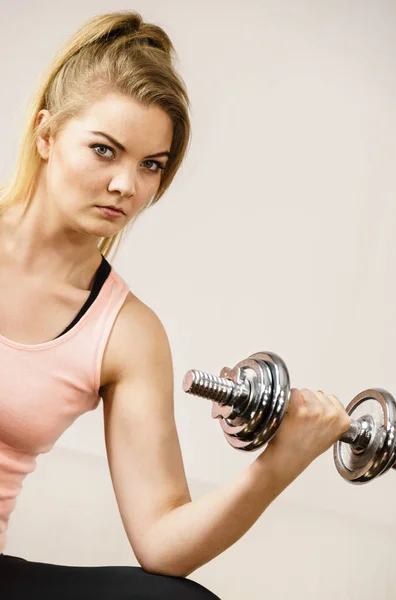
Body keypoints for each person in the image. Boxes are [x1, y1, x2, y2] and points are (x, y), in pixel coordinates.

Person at [0, 10, 351, 599]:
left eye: (151, 165)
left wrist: (280, 462)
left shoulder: (127, 334)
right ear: (46, 134)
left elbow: (162, 543)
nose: (126, 186)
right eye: (104, 150)